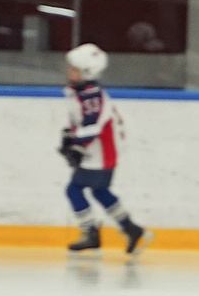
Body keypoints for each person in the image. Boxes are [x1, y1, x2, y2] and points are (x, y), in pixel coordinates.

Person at [60, 43, 150, 256]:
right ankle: (131, 228)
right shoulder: (82, 93)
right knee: (100, 191)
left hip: (98, 155)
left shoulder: (91, 96)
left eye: (75, 69)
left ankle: (90, 233)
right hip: (101, 153)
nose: (69, 71)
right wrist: (69, 138)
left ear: (87, 73)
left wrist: (77, 147)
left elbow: (92, 126)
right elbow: (81, 122)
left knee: (73, 190)